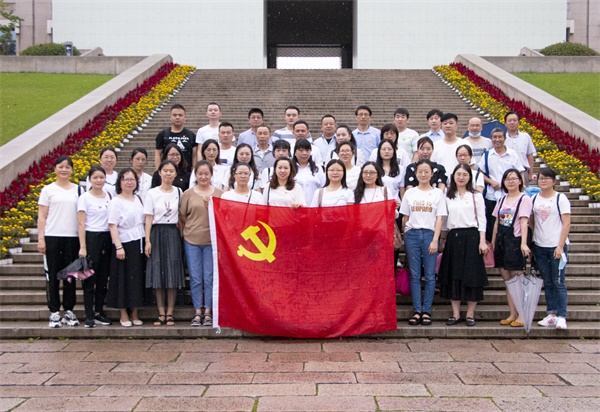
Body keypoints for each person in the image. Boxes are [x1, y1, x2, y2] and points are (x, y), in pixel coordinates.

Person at [438, 164, 489, 327]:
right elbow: (444, 220)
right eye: (458, 174)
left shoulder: (476, 196)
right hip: (453, 237)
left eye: (464, 174)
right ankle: (455, 313)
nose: (461, 177)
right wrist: (442, 239)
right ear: (453, 176)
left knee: (472, 275)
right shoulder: (447, 196)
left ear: (470, 177)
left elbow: (482, 219)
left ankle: (470, 314)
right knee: (454, 275)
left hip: (472, 237)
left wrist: (482, 240)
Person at [400, 159, 447, 326]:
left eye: (426, 171)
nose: (423, 174)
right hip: (412, 235)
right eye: (420, 171)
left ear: (432, 174)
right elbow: (405, 216)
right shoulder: (410, 193)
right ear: (415, 173)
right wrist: (406, 232)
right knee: (414, 274)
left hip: (429, 234)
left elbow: (439, 218)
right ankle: (417, 310)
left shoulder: (438, 193)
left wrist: (435, 240)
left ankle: (426, 310)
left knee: (429, 275)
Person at [37, 156, 81, 328]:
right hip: (52, 236)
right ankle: (54, 311)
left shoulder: (78, 190)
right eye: (61, 166)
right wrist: (41, 239)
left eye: (67, 167)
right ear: (55, 169)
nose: (64, 170)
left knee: (70, 276)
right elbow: (42, 216)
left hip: (72, 237)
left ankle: (69, 310)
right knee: (53, 275)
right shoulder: (48, 190)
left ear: (72, 170)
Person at [180, 160, 224, 327]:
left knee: (209, 278)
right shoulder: (188, 194)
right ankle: (197, 310)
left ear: (211, 175)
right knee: (196, 277)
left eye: (206, 173)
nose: (203, 177)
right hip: (192, 240)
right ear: (195, 175)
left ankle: (208, 311)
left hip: (212, 242)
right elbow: (183, 216)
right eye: (200, 174)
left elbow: (223, 216)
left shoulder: (219, 193)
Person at [144, 160, 185, 327]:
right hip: (156, 233)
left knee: (172, 272)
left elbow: (181, 216)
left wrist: (182, 237)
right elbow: (148, 218)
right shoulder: (152, 193)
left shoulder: (179, 192)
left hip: (172, 233)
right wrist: (147, 240)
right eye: (165, 170)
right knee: (158, 273)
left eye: (171, 171)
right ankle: (161, 312)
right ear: (159, 173)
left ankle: (170, 313)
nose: (168, 173)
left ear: (175, 173)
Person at [492, 168, 532, 327]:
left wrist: (523, 243)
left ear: (520, 181)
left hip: (515, 241)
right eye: (507, 179)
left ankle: (522, 314)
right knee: (508, 280)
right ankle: (512, 313)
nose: (511, 181)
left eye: (514, 178)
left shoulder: (524, 199)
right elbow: (496, 222)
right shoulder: (502, 199)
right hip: (502, 241)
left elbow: (524, 221)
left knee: (518, 279)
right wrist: (493, 242)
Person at [532, 168, 571, 330]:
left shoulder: (560, 198)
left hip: (556, 245)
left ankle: (562, 315)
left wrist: (560, 245)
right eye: (541, 178)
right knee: (547, 281)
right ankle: (551, 314)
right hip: (540, 245)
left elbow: (566, 223)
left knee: (558, 281)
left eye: (547, 178)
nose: (543, 181)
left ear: (554, 181)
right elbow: (532, 220)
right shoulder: (534, 198)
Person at [106, 168, 145, 327]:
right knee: (123, 278)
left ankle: (135, 312)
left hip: (139, 241)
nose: (129, 182)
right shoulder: (116, 201)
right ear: (120, 182)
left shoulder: (139, 198)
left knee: (136, 278)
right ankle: (123, 314)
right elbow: (112, 225)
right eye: (125, 179)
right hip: (123, 242)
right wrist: (118, 246)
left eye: (132, 179)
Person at [77, 166, 113, 328]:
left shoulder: (109, 196)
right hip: (91, 238)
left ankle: (99, 311)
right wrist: (83, 246)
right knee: (89, 278)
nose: (99, 180)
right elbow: (81, 223)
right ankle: (89, 314)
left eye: (101, 177)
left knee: (103, 278)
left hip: (107, 237)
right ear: (89, 180)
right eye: (95, 178)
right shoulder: (85, 198)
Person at [478, 127, 525, 242]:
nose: (497, 139)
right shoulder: (487, 155)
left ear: (505, 138)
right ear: (491, 139)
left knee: (506, 224)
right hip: (491, 196)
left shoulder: (512, 154)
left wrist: (521, 187)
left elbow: (520, 172)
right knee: (492, 223)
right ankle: (493, 246)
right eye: (494, 137)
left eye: (500, 137)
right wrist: (491, 182)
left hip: (509, 197)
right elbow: (481, 173)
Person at [155, 103, 196, 171]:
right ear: (170, 117)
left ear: (185, 117)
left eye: (180, 115)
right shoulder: (163, 135)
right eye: (174, 115)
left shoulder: (191, 135)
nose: (177, 117)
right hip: (168, 172)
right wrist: (158, 172)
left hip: (186, 173)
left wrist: (194, 172)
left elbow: (194, 156)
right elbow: (158, 155)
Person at [504, 111, 536, 182]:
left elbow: (530, 155)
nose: (512, 122)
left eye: (514, 120)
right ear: (505, 123)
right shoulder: (502, 138)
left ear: (518, 122)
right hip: (506, 171)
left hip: (523, 170)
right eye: (509, 120)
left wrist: (530, 173)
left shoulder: (525, 136)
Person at [293, 138, 325, 206]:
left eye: (307, 150)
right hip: (294, 207)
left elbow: (323, 188)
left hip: (314, 207)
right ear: (295, 152)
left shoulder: (317, 169)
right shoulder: (290, 168)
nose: (304, 153)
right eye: (301, 150)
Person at [431, 112, 464, 177]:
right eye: (445, 123)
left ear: (456, 126)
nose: (448, 126)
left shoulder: (464, 144)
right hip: (440, 180)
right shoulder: (435, 145)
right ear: (441, 126)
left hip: (460, 180)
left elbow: (471, 165)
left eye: (451, 123)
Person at [375, 139, 404, 206]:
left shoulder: (400, 169)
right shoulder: (374, 168)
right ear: (379, 151)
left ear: (394, 151)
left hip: (395, 205)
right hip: (378, 204)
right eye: (383, 149)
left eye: (389, 149)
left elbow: (402, 191)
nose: (387, 151)